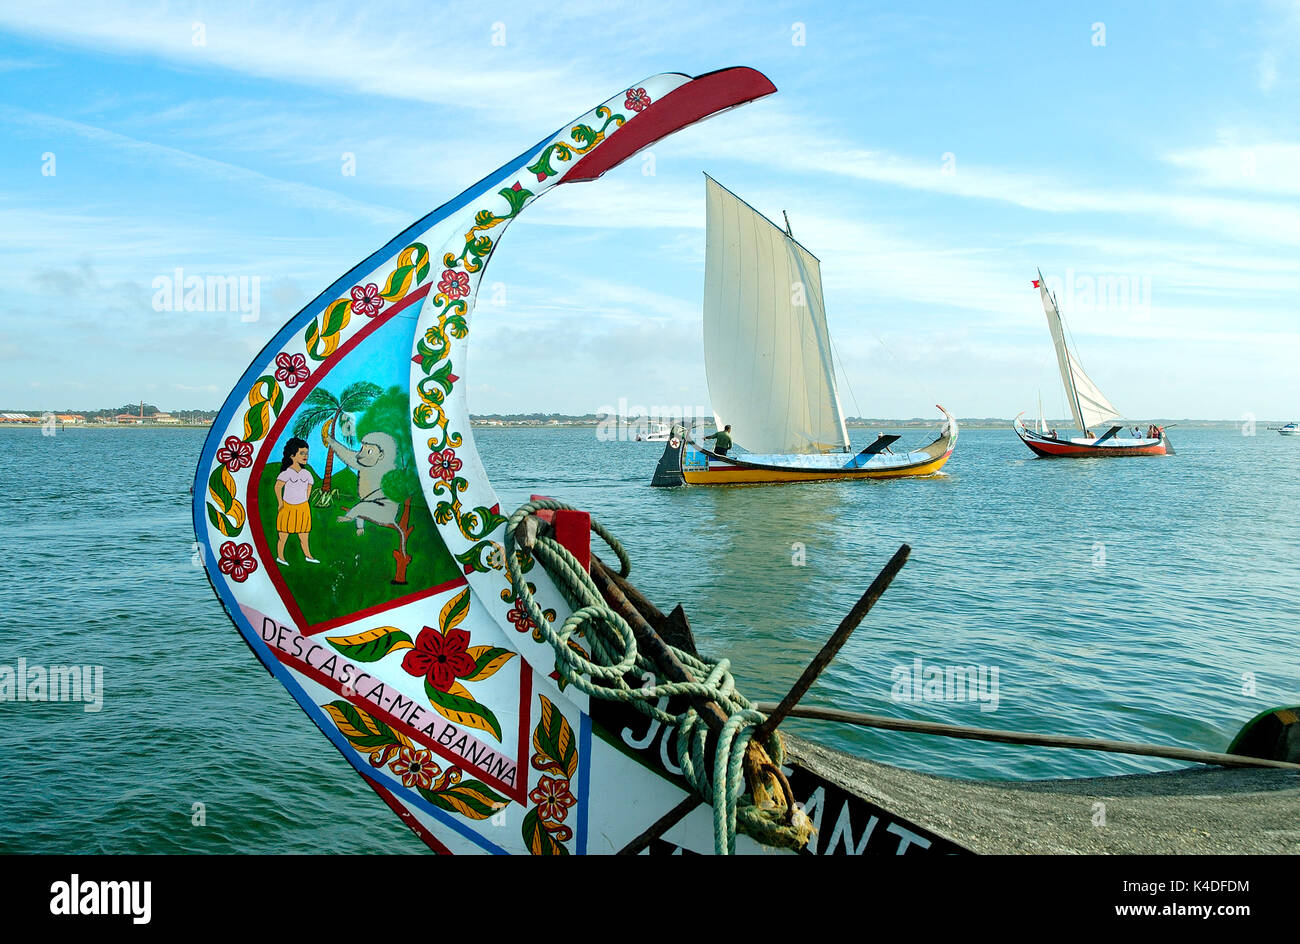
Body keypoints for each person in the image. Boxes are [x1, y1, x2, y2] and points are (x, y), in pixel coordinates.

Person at [275, 437, 320, 565]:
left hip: (303, 508)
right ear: (292, 455)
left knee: (304, 535)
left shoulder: (307, 474)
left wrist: (305, 500)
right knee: (283, 534)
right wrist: (280, 503)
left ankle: (308, 555)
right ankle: (280, 557)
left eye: (306, 453)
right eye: (302, 453)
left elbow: (309, 487)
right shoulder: (287, 473)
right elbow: (278, 487)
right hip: (288, 507)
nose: (305, 456)